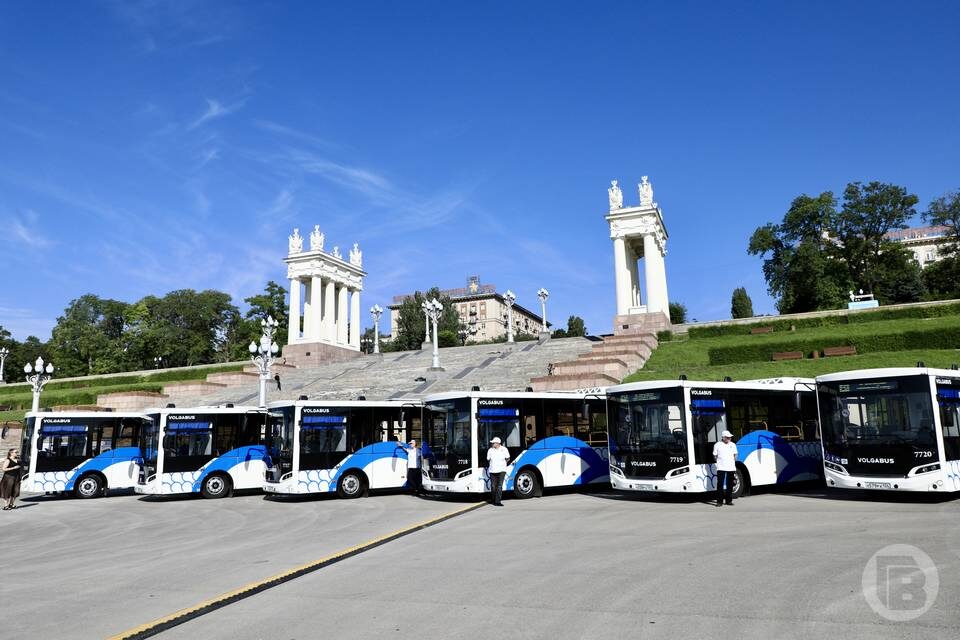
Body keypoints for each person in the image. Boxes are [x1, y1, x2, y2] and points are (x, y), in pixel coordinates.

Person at [713, 430, 738, 507]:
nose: (729, 439)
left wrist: (733, 462)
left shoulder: (733, 445)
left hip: (731, 467)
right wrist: (718, 462)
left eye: (730, 437)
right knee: (720, 484)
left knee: (730, 484)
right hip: (721, 467)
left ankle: (729, 500)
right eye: (727, 437)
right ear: (723, 437)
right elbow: (715, 455)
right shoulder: (717, 445)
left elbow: (735, 455)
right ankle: (719, 502)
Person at [486, 436, 510, 506]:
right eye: (492, 443)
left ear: (498, 443)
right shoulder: (490, 450)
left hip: (502, 470)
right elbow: (488, 459)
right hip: (492, 471)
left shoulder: (504, 449)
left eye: (493, 443)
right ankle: (493, 500)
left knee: (499, 486)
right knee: (493, 486)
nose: (492, 444)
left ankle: (498, 501)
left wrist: (503, 464)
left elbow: (508, 458)